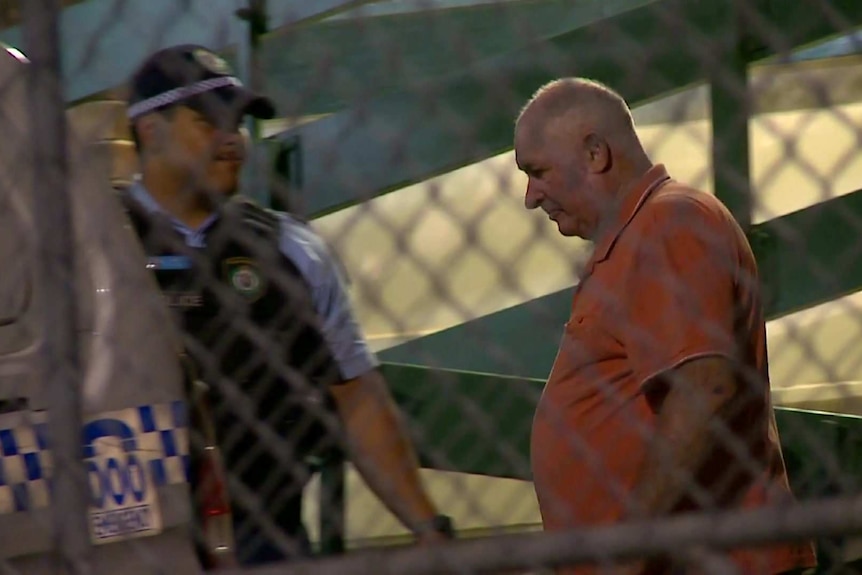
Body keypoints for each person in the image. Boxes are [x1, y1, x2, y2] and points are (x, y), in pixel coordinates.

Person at [118, 44, 454, 567]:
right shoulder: (92, 248)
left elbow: (357, 397)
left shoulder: (290, 250)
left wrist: (429, 528)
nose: (233, 141)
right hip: (130, 541)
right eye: (209, 123)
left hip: (268, 538)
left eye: (239, 124)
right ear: (150, 130)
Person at [513, 77, 817, 575]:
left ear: (595, 154)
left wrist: (629, 548)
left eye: (538, 171)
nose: (530, 196)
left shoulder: (669, 222)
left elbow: (704, 389)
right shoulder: (633, 240)